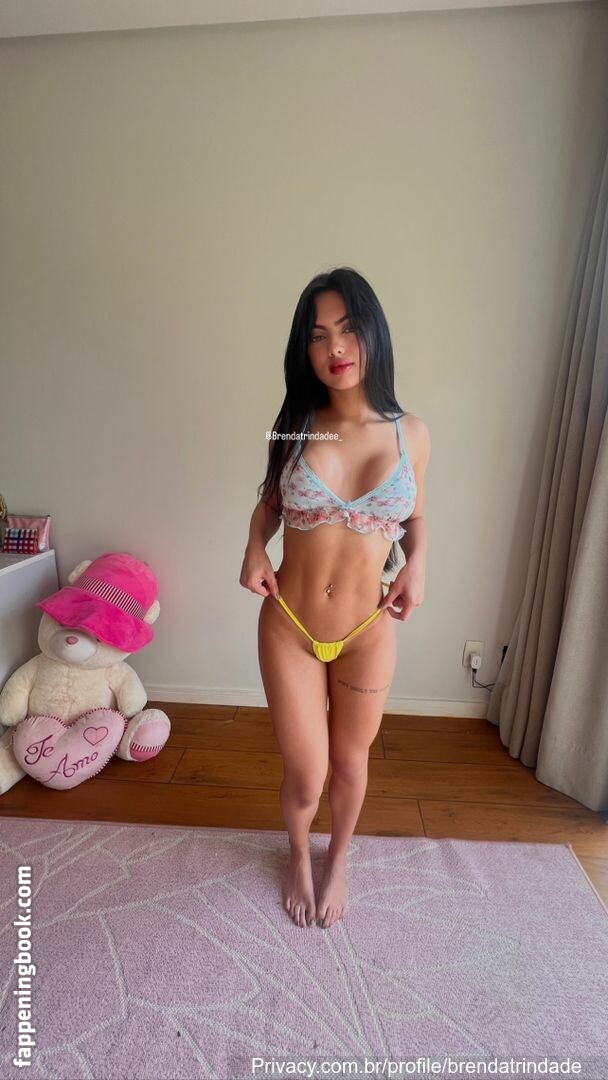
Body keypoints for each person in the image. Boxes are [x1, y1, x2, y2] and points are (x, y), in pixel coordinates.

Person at [239, 267, 431, 931]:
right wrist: (253, 547)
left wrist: (419, 563)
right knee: (306, 774)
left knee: (350, 763)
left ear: (373, 332)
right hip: (290, 625)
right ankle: (298, 851)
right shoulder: (298, 426)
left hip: (367, 631)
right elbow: (269, 505)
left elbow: (416, 517)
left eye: (348, 329)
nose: (335, 347)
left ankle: (338, 856)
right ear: (306, 349)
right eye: (318, 335)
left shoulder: (410, 434)